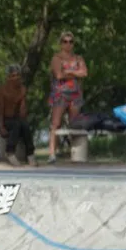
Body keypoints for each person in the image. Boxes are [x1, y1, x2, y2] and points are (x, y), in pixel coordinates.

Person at [48, 31, 88, 164]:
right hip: (60, 94)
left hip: (75, 94)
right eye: (65, 41)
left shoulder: (78, 58)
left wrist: (69, 71)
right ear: (61, 43)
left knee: (75, 123)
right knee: (56, 123)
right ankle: (52, 153)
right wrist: (76, 73)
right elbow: (59, 75)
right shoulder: (57, 58)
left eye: (71, 41)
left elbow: (84, 73)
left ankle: (76, 154)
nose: (68, 44)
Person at [0, 64, 36, 166]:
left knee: (25, 125)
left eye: (18, 75)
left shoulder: (22, 89)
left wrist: (23, 105)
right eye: (13, 76)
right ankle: (10, 152)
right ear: (8, 77)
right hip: (2, 119)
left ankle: (30, 154)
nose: (16, 78)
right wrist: (1, 127)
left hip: (15, 118)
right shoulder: (2, 90)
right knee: (16, 125)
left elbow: (22, 111)